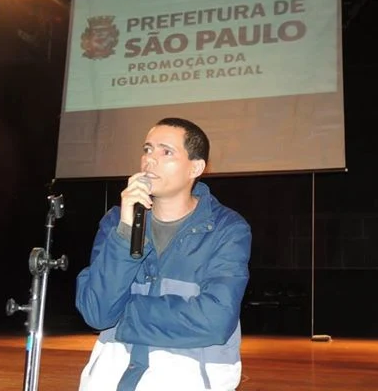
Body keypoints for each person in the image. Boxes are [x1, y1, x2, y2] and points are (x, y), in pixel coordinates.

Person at [76, 117, 252, 391]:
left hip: (188, 379)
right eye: (147, 149)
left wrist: (123, 315)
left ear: (196, 167)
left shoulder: (226, 228)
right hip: (110, 378)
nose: (150, 159)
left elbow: (215, 320)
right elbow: (96, 313)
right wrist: (126, 231)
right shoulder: (115, 222)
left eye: (166, 152)